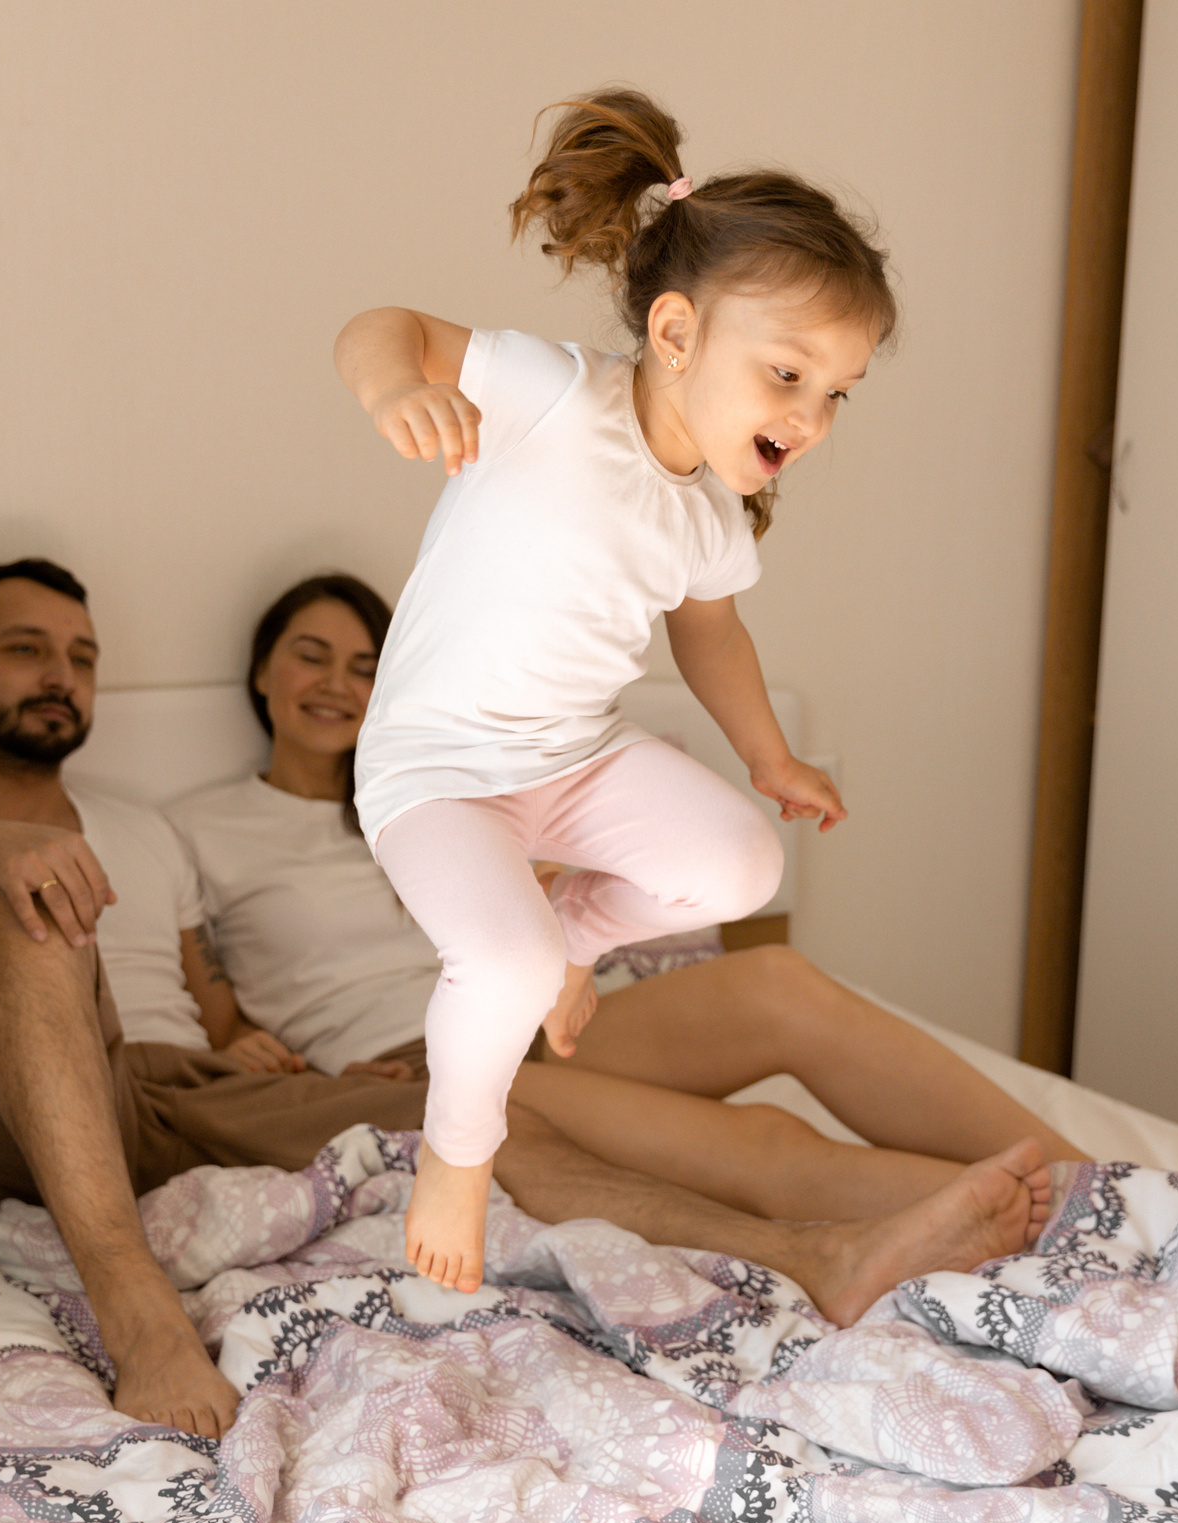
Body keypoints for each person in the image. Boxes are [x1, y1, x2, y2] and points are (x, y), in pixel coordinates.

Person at [0, 561, 1120, 1442]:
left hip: (203, 1089)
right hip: (6, 1103)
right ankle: (132, 1301)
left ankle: (843, 1249)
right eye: (26, 649)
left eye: (81, 654)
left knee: (479, 1133)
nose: (61, 673)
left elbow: (203, 993)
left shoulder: (145, 826)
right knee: (26, 913)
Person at [168, 572, 1178, 1251]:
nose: (337, 681)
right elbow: (194, 992)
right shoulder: (199, 828)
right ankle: (1112, 1218)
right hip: (414, 1068)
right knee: (763, 1147)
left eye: (366, 662)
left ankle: (1140, 1185)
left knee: (779, 985)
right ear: (262, 675)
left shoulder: (464, 786)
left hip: (550, 1017)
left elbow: (560, 901)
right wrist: (231, 1039)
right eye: (310, 656)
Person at [333, 88, 886, 1290]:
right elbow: (384, 325)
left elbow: (713, 640)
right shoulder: (555, 394)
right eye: (790, 374)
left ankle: (577, 937)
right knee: (507, 963)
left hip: (572, 760)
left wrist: (771, 761)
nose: (814, 416)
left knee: (743, 864)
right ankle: (457, 1156)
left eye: (837, 391)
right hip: (435, 770)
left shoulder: (707, 512)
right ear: (678, 335)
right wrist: (395, 392)